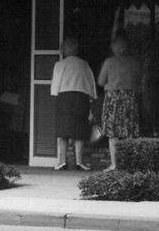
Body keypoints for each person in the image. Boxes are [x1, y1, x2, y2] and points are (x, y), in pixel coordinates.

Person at [50, 36, 96, 170]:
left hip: (64, 97)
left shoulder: (60, 64)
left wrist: (55, 96)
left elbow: (55, 85)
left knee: (63, 130)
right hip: (81, 97)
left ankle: (62, 161)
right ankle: (79, 162)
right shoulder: (84, 64)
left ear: (63, 50)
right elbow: (90, 82)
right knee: (79, 131)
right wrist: (92, 98)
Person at [96, 31, 141, 169]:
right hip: (129, 97)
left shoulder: (109, 62)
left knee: (113, 133)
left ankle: (115, 164)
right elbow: (138, 80)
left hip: (113, 98)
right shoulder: (133, 62)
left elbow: (101, 81)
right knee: (130, 132)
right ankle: (129, 163)